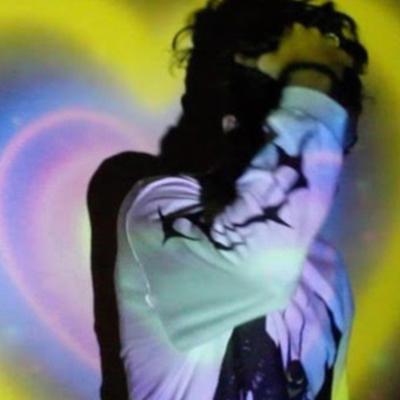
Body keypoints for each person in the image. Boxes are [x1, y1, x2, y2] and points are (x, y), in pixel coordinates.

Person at [113, 0, 369, 399]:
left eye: (337, 146)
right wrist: (312, 77)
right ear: (234, 123)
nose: (327, 160)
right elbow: (258, 269)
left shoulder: (326, 269)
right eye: (311, 127)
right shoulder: (160, 208)